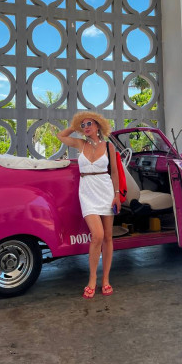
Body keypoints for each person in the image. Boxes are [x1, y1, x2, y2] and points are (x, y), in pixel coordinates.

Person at [57, 111, 120, 299]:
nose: (86, 127)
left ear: (98, 125)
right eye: (83, 125)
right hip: (87, 192)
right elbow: (60, 136)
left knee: (107, 237)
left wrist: (117, 195)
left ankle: (105, 279)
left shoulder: (109, 146)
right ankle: (92, 278)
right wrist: (74, 126)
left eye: (89, 123)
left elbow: (114, 173)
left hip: (105, 190)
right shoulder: (80, 143)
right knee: (97, 235)